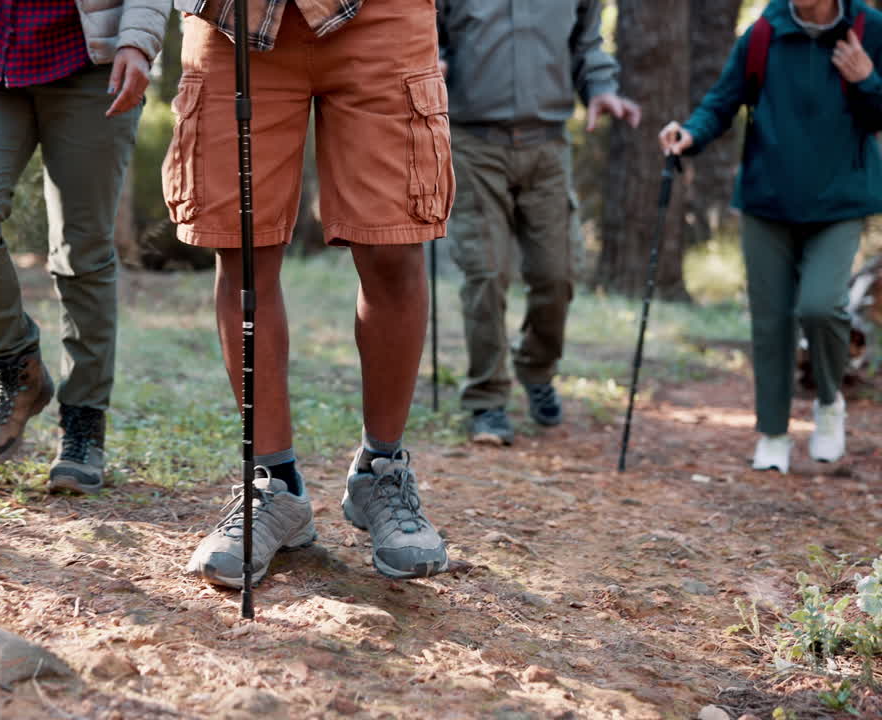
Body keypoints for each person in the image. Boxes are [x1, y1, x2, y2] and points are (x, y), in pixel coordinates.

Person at [165, 0, 454, 586]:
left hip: (380, 16)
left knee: (394, 243)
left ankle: (382, 469)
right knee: (241, 248)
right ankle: (273, 485)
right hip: (232, 18)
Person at [0, 0, 169, 493]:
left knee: (83, 247)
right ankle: (17, 368)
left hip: (94, 55)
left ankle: (83, 422)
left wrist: (138, 38)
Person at [660, 0, 882, 473]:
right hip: (767, 203)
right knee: (770, 322)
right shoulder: (764, 31)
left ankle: (827, 402)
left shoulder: (869, 28)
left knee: (821, 306)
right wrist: (690, 135)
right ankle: (774, 434)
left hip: (840, 203)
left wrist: (868, 80)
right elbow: (722, 101)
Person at [437, 0, 641, 446]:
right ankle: (486, 400)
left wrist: (601, 89)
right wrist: (431, 63)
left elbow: (587, 42)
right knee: (486, 272)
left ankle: (536, 368)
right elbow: (426, 36)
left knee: (558, 272)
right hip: (474, 145)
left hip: (548, 147)